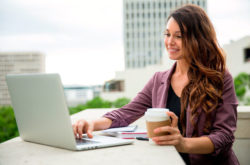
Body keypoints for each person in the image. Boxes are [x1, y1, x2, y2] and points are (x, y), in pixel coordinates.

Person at [73, 4, 239, 165]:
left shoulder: (220, 78)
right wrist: (92, 124)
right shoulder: (159, 80)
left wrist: (183, 143)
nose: (170, 41)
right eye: (167, 34)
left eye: (179, 36)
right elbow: (125, 114)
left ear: (198, 39)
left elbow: (224, 136)